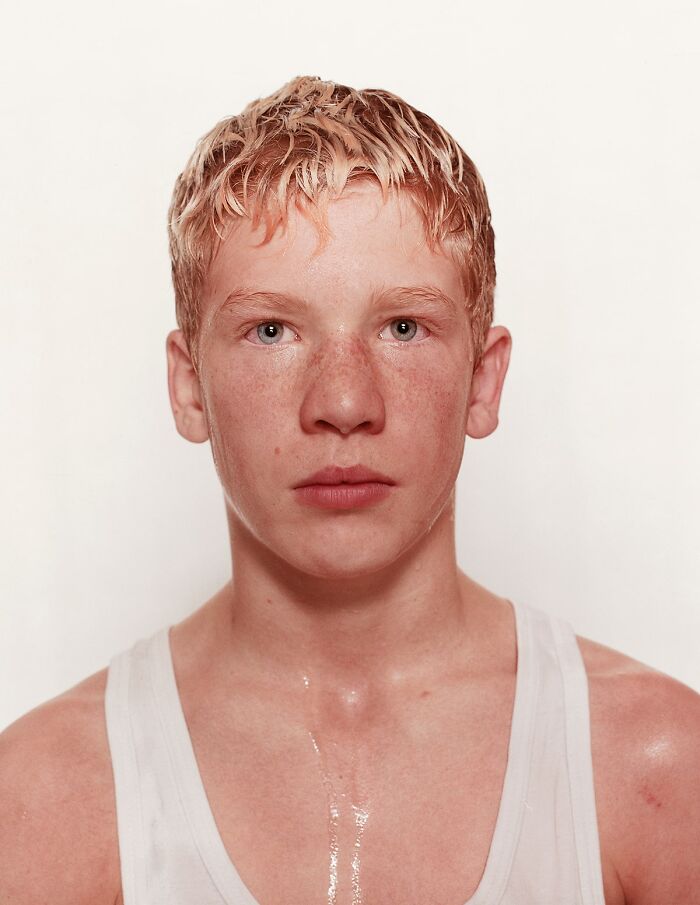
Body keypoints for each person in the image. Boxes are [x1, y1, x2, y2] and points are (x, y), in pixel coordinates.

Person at [1, 75, 698, 905]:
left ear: (484, 380)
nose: (342, 401)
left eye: (403, 327)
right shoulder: (48, 799)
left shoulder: (654, 767)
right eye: (271, 330)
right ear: (189, 387)